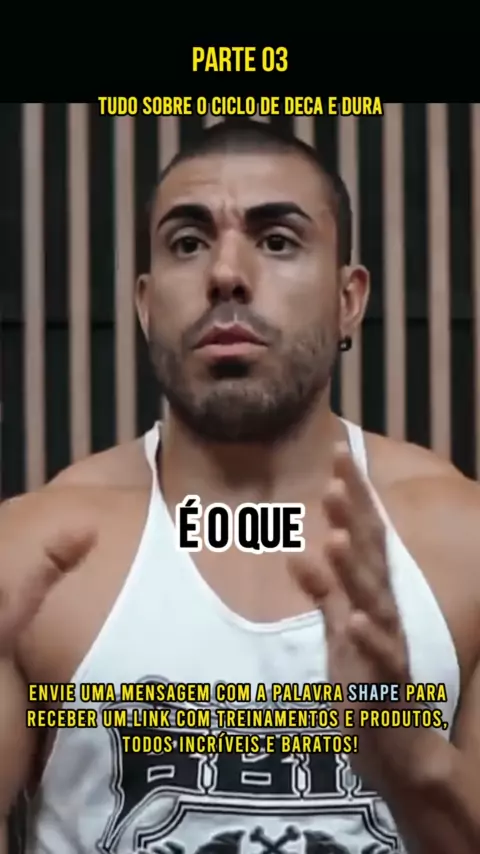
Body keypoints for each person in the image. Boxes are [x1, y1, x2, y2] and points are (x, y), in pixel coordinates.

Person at [1, 119, 479, 854]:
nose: (225, 272)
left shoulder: (463, 544)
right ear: (145, 304)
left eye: (277, 240)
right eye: (188, 243)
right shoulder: (33, 554)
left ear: (349, 298)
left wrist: (411, 758)